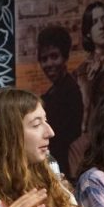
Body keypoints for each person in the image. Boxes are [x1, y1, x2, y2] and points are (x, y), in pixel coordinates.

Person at [37, 25, 82, 180]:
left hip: (66, 168)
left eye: (54, 56)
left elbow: (65, 138)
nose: (49, 64)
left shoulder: (71, 91)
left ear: (65, 57)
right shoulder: (52, 93)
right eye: (44, 59)